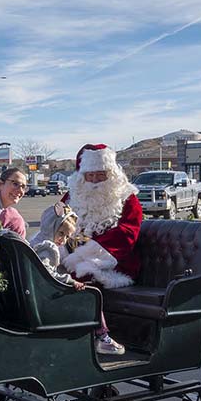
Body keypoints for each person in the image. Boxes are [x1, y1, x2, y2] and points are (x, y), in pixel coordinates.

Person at [60, 144, 143, 355]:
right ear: (81, 177)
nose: (96, 181)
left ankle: (100, 335)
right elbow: (54, 222)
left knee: (83, 275)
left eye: (101, 175)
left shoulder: (127, 199)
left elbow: (127, 234)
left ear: (112, 174)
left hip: (113, 261)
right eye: (90, 176)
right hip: (70, 253)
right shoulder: (72, 196)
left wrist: (84, 255)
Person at [29, 202, 85, 290]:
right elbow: (47, 274)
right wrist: (71, 281)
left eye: (67, 236)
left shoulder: (38, 239)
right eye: (61, 233)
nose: (63, 239)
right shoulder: (47, 248)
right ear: (50, 227)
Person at [0, 167, 28, 238]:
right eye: (15, 184)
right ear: (0, 184)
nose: (20, 191)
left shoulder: (5, 210)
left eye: (23, 187)